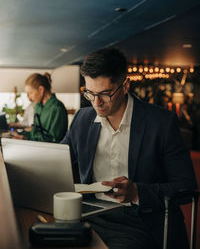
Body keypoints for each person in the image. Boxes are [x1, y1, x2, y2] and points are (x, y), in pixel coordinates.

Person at [62, 48, 197, 249]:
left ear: (125, 86)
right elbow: (60, 161)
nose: (96, 103)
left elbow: (186, 186)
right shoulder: (82, 119)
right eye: (90, 93)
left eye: (105, 94)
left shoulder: (160, 123)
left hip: (140, 220)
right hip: (91, 215)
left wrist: (136, 192)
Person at [13, 73, 68, 142]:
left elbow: (54, 140)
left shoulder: (57, 108)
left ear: (41, 89)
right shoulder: (38, 106)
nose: (29, 98)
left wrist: (29, 136)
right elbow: (36, 132)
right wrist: (22, 136)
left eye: (30, 93)